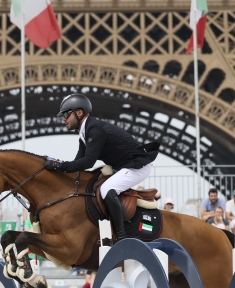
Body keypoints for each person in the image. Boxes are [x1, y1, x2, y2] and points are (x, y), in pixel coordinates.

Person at [44, 93, 158, 244]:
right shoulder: (86, 132)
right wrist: (58, 169)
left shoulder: (95, 129)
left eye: (66, 114)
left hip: (138, 165)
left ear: (79, 112)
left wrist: (60, 165)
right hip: (125, 165)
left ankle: (121, 237)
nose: (63, 119)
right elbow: (78, 162)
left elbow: (88, 162)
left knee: (106, 189)